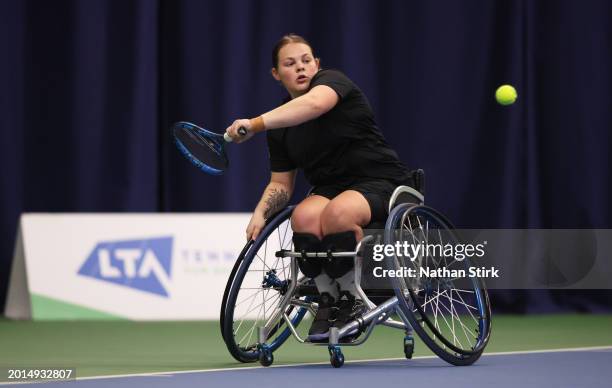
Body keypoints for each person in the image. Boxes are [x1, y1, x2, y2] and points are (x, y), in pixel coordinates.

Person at [225, 34, 414, 342]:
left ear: (317, 65)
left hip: (381, 181)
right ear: (276, 74)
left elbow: (313, 105)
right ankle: (328, 299)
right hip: (330, 188)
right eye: (289, 63)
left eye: (306, 60)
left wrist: (255, 123)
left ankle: (351, 298)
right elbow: (281, 184)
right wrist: (260, 213)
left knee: (338, 213)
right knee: (302, 217)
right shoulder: (280, 126)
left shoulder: (332, 82)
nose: (301, 67)